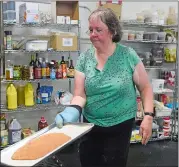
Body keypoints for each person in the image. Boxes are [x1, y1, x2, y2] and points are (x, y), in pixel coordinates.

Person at [55, 8, 154, 167]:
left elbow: (145, 87)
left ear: (112, 31)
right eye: (91, 29)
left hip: (120, 125)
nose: (93, 34)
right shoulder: (84, 59)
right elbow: (80, 95)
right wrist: (72, 109)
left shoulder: (128, 55)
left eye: (98, 30)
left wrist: (148, 117)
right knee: (89, 162)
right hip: (91, 125)